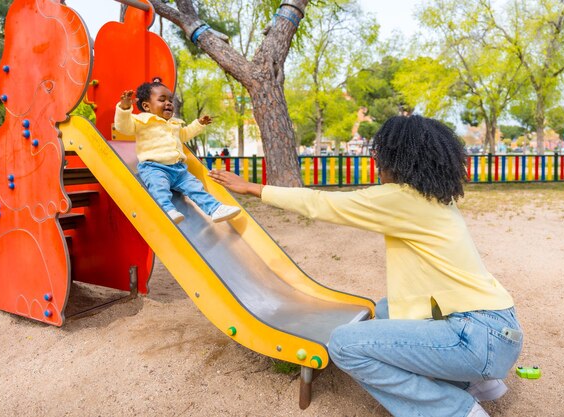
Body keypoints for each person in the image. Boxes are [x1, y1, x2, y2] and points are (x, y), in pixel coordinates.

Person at [209, 115, 522, 417]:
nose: (377, 168)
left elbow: (322, 204)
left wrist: (252, 187)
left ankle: (455, 410)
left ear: (397, 163)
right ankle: (478, 383)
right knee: (388, 309)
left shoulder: (401, 198)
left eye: (380, 161)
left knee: (344, 345)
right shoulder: (436, 198)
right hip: (495, 328)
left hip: (477, 338)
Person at [115, 78, 240, 224]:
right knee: (159, 188)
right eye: (162, 100)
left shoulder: (174, 124)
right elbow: (123, 127)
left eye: (170, 100)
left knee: (195, 187)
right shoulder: (142, 121)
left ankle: (215, 209)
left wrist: (198, 124)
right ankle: (167, 210)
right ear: (146, 106)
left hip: (179, 169)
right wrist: (124, 109)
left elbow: (184, 135)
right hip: (154, 168)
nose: (168, 103)